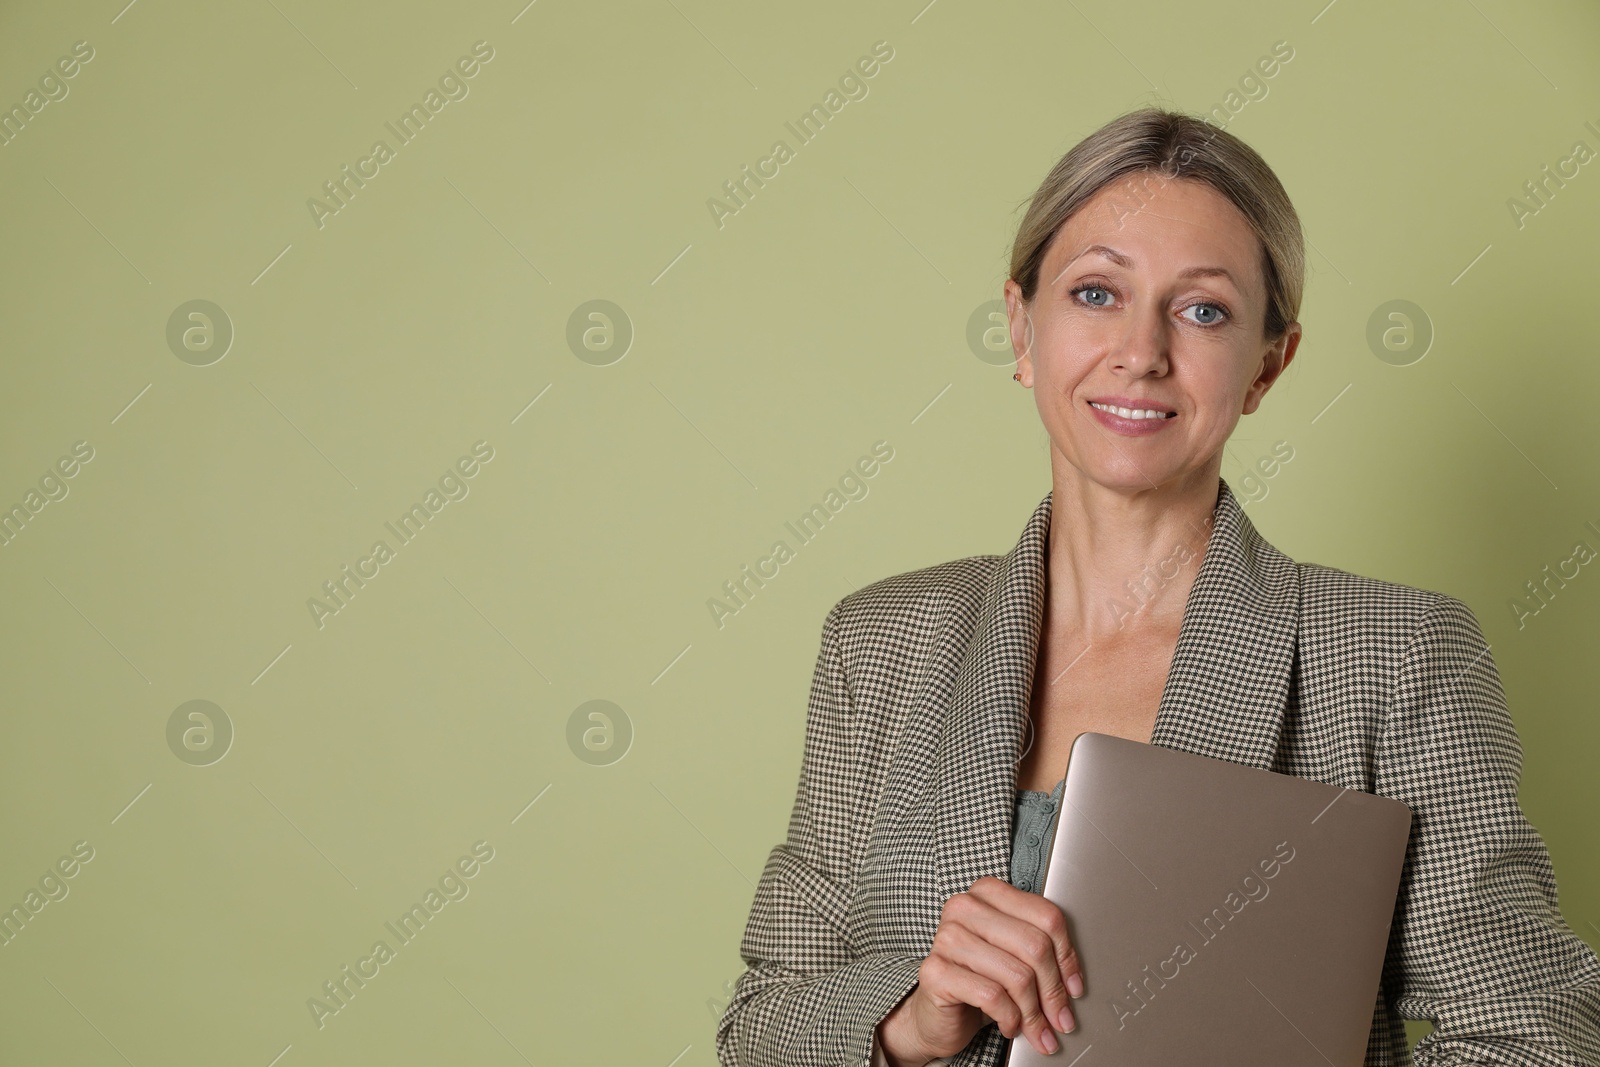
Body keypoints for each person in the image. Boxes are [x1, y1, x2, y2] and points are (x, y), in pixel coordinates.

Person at [715, 107, 1600, 1067]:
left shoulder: (1397, 653)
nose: (1141, 350)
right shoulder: (881, 641)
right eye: (1097, 292)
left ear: (1269, 363)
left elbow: (1539, 1029)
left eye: (1203, 309)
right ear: (1021, 327)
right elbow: (762, 1024)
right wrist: (912, 1018)